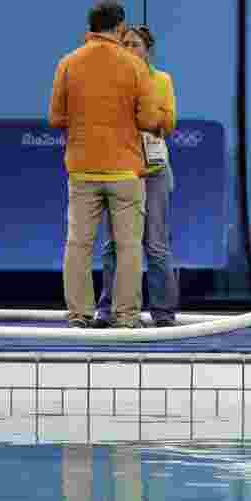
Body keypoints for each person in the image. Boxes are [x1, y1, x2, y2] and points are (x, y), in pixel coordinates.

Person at [48, 0, 164, 328]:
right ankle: (126, 318)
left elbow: (56, 118)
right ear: (118, 27)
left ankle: (79, 315)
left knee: (78, 244)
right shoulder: (135, 66)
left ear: (91, 26)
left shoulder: (67, 63)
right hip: (125, 170)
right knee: (129, 247)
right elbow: (148, 118)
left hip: (82, 169)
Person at [94, 24, 179, 328]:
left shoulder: (162, 80)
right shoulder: (110, 81)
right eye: (125, 44)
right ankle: (106, 310)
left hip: (154, 171)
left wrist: (144, 119)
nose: (129, 49)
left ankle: (164, 314)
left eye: (135, 45)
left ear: (148, 50)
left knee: (155, 244)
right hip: (121, 169)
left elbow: (167, 122)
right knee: (114, 243)